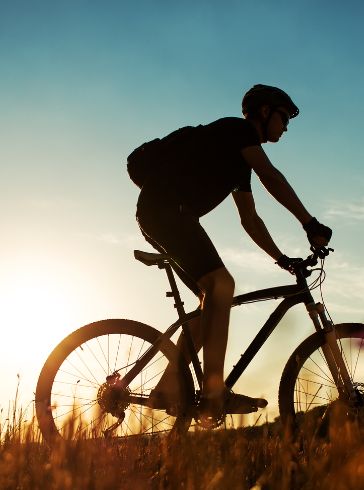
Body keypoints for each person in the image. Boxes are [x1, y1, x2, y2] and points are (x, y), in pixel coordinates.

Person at [135, 85, 332, 419]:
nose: (286, 127)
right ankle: (214, 392)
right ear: (266, 112)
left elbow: (250, 219)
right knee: (221, 284)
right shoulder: (237, 130)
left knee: (209, 301)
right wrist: (309, 222)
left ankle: (169, 387)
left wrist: (282, 259)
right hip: (168, 211)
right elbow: (271, 176)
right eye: (284, 117)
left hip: (164, 213)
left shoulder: (239, 162)